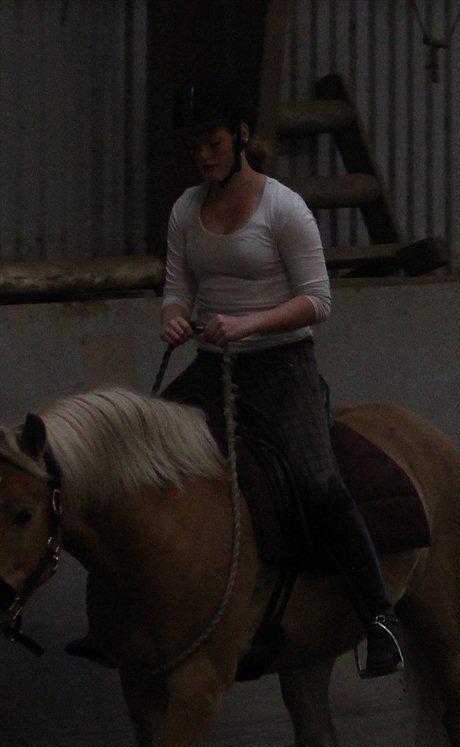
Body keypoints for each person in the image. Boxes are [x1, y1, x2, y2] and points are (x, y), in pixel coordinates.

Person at [160, 74, 403, 678]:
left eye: (212, 142)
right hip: (212, 365)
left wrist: (249, 325)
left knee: (318, 481)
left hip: (280, 366)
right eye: (194, 146)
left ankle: (379, 618)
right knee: (147, 456)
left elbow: (318, 300)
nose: (203, 155)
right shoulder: (186, 210)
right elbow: (176, 287)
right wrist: (171, 317)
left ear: (241, 136)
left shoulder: (282, 207)